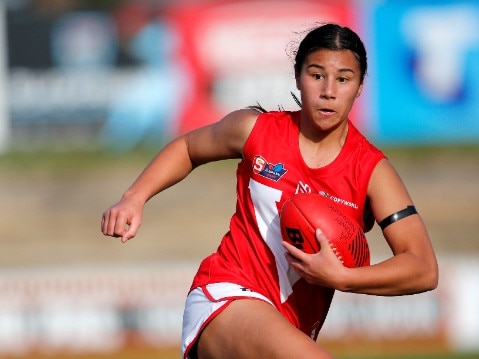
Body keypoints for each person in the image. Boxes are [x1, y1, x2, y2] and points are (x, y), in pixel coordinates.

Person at [101, 23, 438, 359]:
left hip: (290, 327)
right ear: (297, 77)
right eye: (317, 75)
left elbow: (422, 267)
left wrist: (346, 278)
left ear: (360, 86)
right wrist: (134, 197)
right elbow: (189, 148)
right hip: (225, 294)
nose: (329, 91)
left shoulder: (372, 171)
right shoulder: (255, 130)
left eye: (344, 79)